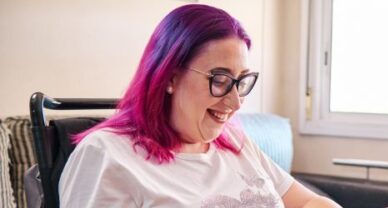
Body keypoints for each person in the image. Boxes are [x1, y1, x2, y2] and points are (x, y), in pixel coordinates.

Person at [58, 4, 340, 208]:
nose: (236, 102)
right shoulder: (106, 155)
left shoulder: (232, 140)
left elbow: (308, 203)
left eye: (241, 81)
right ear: (169, 76)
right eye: (220, 79)